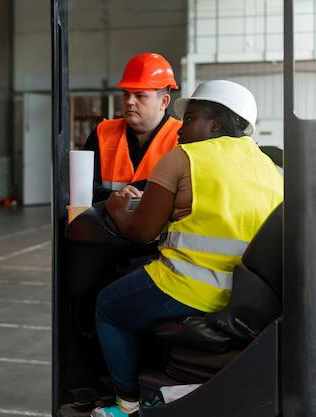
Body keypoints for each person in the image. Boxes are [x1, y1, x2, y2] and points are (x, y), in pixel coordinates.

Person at [91, 80, 283, 417]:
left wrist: (115, 207)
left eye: (191, 118)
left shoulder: (183, 157)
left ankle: (126, 404)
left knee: (108, 306)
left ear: (216, 124)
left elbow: (141, 232)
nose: (180, 129)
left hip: (192, 288)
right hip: (250, 297)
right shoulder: (271, 167)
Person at [84, 52, 182, 202]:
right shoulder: (102, 133)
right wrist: (114, 196)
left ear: (164, 101)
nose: (129, 101)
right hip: (107, 225)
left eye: (140, 95)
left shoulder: (182, 138)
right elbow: (82, 188)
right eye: (125, 94)